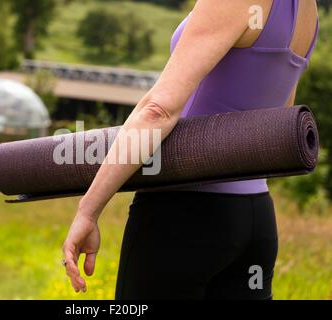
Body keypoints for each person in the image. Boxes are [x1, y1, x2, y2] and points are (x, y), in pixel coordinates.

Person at [61, 0, 319, 299]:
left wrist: (88, 211)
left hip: (182, 217)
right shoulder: (307, 11)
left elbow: (158, 110)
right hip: (256, 221)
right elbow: (279, 117)